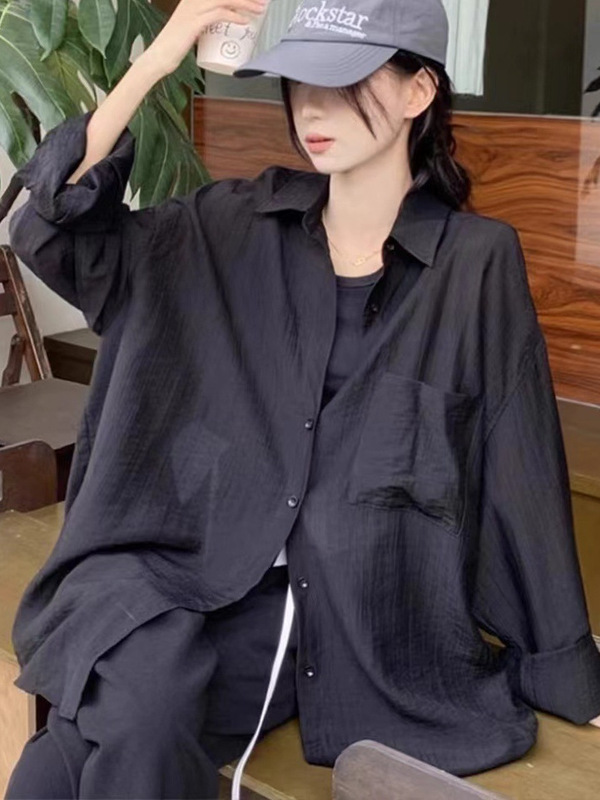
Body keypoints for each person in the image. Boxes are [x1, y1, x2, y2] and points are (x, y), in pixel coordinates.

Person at [6, 0, 600, 797]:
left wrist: (564, 668)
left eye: (341, 83)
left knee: (95, 739)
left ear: (419, 91)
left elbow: (517, 459)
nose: (312, 111)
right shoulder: (229, 225)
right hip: (172, 565)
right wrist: (160, 56)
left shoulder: (474, 263)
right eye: (297, 84)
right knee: (140, 703)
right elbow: (55, 225)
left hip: (333, 611)